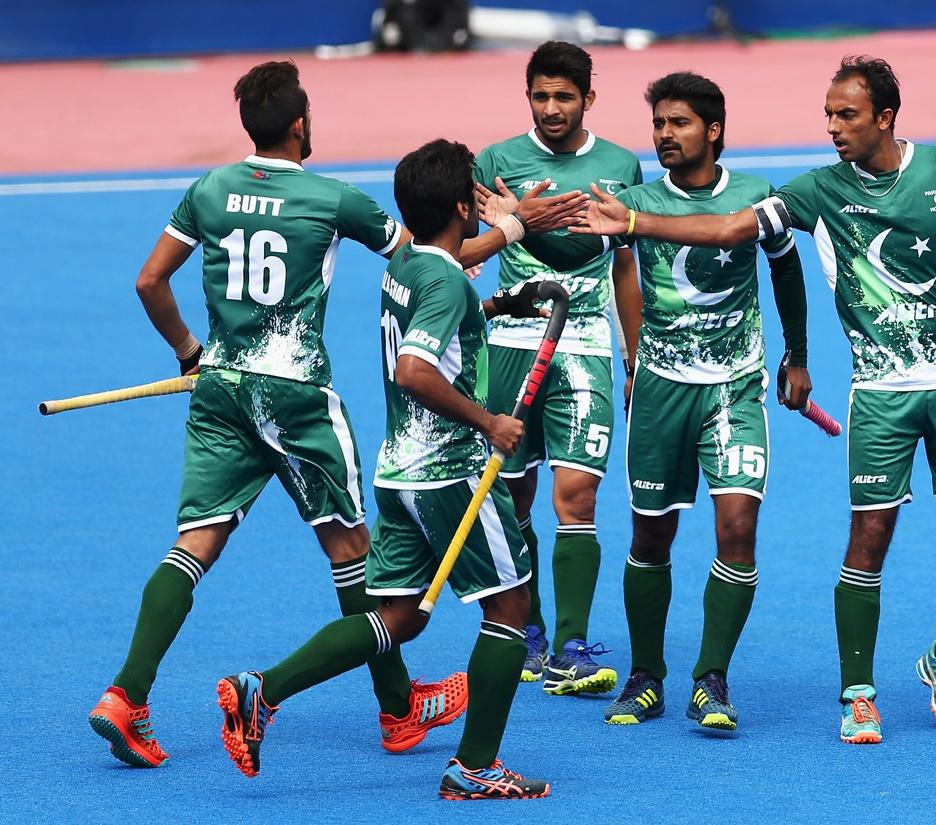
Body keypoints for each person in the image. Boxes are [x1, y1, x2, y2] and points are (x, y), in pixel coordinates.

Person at [569, 55, 936, 743]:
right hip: (878, 392)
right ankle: (856, 692)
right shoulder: (816, 190)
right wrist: (630, 224)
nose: (833, 127)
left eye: (847, 115)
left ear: (885, 116)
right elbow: (732, 231)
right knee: (868, 537)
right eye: (828, 115)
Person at [87, 60, 584, 770]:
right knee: (353, 552)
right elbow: (435, 263)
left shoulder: (209, 189)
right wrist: (510, 227)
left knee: (193, 546)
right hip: (296, 396)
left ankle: (126, 695)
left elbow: (149, 279)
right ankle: (398, 709)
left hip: (222, 387)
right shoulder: (333, 198)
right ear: (299, 125)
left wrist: (190, 353)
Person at [217, 138, 551, 800]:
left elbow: (434, 327)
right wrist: (489, 422)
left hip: (396, 471)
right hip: (448, 470)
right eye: (476, 195)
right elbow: (415, 368)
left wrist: (487, 311)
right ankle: (476, 766)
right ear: (462, 206)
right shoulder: (446, 279)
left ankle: (264, 689)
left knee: (401, 614)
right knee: (511, 605)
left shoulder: (404, 267)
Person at [582, 72, 811, 730]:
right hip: (659, 390)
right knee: (652, 533)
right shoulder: (634, 201)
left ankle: (711, 678)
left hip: (735, 388)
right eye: (658, 124)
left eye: (678, 123)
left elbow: (785, 268)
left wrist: (798, 355)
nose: (664, 135)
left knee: (738, 529)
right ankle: (645, 674)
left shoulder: (754, 196)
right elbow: (606, 263)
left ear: (713, 130)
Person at [472, 41, 642, 695]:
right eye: (540, 96)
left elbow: (624, 264)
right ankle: (528, 630)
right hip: (512, 347)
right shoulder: (495, 160)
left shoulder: (620, 163)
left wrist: (636, 355)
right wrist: (509, 224)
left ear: (588, 100)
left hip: (586, 347)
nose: (551, 108)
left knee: (578, 496)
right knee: (514, 495)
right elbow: (464, 253)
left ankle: (572, 642)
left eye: (564, 96)